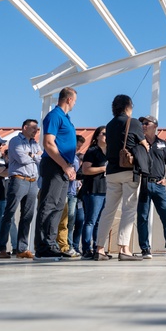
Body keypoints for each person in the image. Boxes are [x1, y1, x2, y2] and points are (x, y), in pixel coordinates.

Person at [97, 94, 147, 261]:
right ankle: (124, 249)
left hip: (111, 171)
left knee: (108, 210)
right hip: (128, 170)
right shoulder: (133, 122)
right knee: (128, 209)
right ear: (128, 106)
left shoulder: (109, 125)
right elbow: (143, 144)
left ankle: (99, 248)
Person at [36, 88, 78, 260]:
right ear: (68, 99)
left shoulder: (66, 119)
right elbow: (48, 143)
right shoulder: (55, 116)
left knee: (59, 206)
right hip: (55, 165)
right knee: (49, 204)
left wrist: (68, 166)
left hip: (63, 167)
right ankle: (42, 246)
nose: (75, 104)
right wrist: (64, 165)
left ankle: (51, 243)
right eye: (75, 100)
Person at [135, 115, 166, 259]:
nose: (143, 125)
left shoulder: (163, 144)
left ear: (154, 126)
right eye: (142, 123)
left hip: (159, 185)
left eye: (146, 123)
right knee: (142, 217)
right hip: (143, 184)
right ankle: (145, 249)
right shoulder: (138, 144)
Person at [0, 119, 41, 259]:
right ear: (25, 127)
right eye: (34, 128)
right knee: (9, 214)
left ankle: (22, 249)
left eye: (37, 129)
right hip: (18, 180)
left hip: (33, 182)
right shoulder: (16, 141)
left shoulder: (35, 143)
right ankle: (1, 248)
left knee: (27, 216)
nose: (36, 131)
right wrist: (35, 156)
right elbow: (22, 159)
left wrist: (32, 156)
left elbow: (42, 159)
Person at [79, 126, 108, 259]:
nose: (106, 136)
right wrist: (103, 168)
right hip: (93, 190)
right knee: (90, 220)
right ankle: (86, 249)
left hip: (106, 189)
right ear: (97, 136)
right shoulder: (92, 151)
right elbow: (85, 170)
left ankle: (98, 248)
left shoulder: (110, 152)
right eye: (103, 134)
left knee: (100, 222)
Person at [55, 135, 83, 259]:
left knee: (70, 221)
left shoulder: (76, 158)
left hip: (73, 192)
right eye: (77, 144)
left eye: (80, 146)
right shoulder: (65, 156)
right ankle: (62, 245)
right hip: (64, 191)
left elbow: (76, 174)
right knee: (63, 220)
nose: (78, 147)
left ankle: (69, 244)